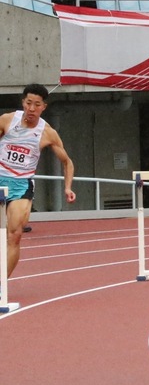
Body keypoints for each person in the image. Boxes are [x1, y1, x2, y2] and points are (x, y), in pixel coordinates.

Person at [0, 84, 76, 279]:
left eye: (36, 104)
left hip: (21, 185)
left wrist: (67, 187)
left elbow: (67, 163)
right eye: (28, 103)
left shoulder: (47, 133)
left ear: (44, 107)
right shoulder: (7, 120)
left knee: (14, 234)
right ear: (23, 103)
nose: (31, 109)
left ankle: (2, 283)